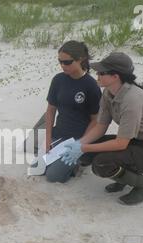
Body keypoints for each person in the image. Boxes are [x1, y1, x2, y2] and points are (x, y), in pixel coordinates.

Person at [61, 52, 143, 205]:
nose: (97, 75)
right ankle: (124, 177)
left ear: (116, 76)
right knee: (87, 154)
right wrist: (80, 144)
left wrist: (84, 147)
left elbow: (121, 144)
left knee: (101, 163)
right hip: (136, 141)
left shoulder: (132, 100)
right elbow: (101, 126)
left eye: (102, 72)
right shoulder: (108, 92)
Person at [40, 40, 102, 183]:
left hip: (76, 138)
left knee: (53, 176)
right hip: (59, 133)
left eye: (67, 62)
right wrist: (48, 137)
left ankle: (79, 162)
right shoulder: (58, 80)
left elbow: (95, 120)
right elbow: (50, 110)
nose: (63, 65)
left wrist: (81, 145)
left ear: (80, 60)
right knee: (38, 167)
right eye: (60, 61)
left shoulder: (91, 86)